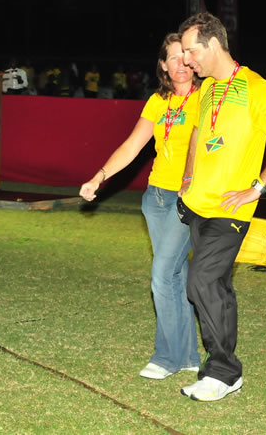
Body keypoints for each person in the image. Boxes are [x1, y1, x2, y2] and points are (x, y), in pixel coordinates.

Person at [177, 12, 266, 402]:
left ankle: (224, 371)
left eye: (190, 51)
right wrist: (187, 179)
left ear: (213, 44)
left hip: (231, 209)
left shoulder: (254, 86)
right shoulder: (208, 89)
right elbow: (199, 131)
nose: (186, 60)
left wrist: (258, 188)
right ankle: (221, 371)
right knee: (216, 288)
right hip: (199, 204)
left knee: (200, 281)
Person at [80, 33, 202, 380]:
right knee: (174, 276)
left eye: (185, 56)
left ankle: (166, 357)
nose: (180, 63)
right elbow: (133, 145)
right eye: (172, 58)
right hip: (156, 198)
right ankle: (189, 354)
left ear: (194, 62)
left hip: (186, 198)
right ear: (162, 65)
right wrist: (99, 177)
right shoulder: (157, 101)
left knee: (162, 275)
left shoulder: (205, 99)